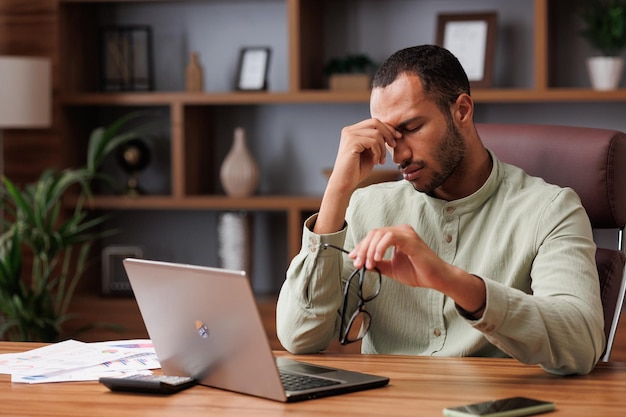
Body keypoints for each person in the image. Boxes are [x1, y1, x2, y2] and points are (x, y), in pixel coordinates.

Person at [275, 44, 605, 376]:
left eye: (412, 128)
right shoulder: (367, 206)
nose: (397, 155)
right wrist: (337, 192)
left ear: (462, 110)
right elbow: (300, 337)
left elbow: (582, 344)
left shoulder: (551, 209)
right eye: (389, 136)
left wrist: (454, 282)